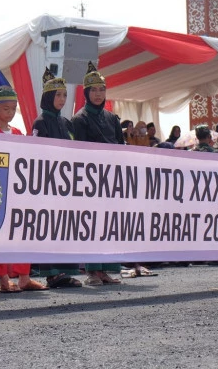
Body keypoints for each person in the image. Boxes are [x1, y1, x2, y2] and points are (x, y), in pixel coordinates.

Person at [0, 68, 47, 292]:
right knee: (0, 234)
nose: (10, 113)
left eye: (13, 109)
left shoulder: (18, 132)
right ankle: (2, 279)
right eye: (5, 109)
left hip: (19, 189)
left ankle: (24, 276)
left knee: (23, 231)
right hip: (0, 189)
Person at [30, 68, 82, 289]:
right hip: (48, 182)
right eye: (57, 95)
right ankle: (52, 273)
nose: (61, 99)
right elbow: (37, 154)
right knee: (49, 227)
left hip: (67, 183)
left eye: (64, 95)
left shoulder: (66, 123)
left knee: (65, 226)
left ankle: (66, 271)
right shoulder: (40, 122)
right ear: (48, 97)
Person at [72, 62, 122, 286]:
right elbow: (78, 152)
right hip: (90, 179)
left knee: (108, 225)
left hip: (112, 178)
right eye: (94, 90)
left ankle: (105, 270)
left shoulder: (112, 119)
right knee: (92, 224)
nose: (99, 94)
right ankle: (92, 271)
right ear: (86, 93)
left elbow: (121, 148)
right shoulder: (79, 119)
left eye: (102, 89)